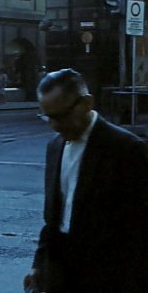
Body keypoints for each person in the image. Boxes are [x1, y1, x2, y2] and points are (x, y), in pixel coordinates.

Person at [23, 68, 148, 293]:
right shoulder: (55, 147)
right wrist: (38, 266)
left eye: (61, 116)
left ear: (87, 103)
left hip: (109, 276)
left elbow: (139, 229)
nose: (54, 125)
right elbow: (52, 219)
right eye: (47, 117)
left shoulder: (127, 149)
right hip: (60, 273)